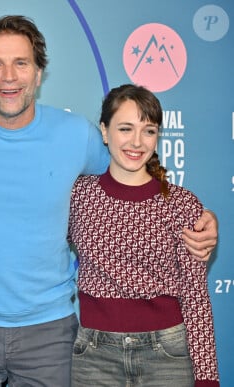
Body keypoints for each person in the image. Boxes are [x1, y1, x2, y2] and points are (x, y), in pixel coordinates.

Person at [0, 15, 218, 386]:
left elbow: (130, 182)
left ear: (38, 73)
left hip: (49, 331)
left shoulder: (75, 134)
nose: (9, 76)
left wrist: (202, 218)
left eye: (21, 63)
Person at [68, 84, 219, 386]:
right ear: (104, 130)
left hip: (167, 355)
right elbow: (27, 231)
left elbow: (195, 296)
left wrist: (207, 378)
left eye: (148, 131)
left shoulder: (181, 203)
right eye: (125, 128)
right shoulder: (78, 194)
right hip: (94, 356)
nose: (137, 142)